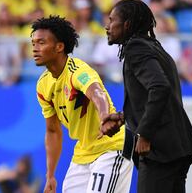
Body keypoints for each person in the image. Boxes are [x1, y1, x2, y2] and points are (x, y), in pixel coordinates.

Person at [102, 0, 192, 193]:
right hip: (176, 146)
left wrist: (145, 134)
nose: (107, 26)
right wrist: (124, 117)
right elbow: (154, 94)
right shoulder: (152, 46)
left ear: (127, 24)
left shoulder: (136, 48)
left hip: (160, 150)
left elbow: (159, 87)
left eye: (112, 20)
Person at [31, 15, 133, 193]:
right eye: (33, 43)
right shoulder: (43, 84)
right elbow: (53, 130)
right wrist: (50, 175)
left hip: (110, 148)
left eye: (41, 43)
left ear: (59, 47)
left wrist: (104, 116)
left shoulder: (78, 71)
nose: (35, 49)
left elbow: (96, 92)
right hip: (83, 153)